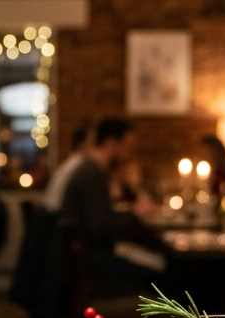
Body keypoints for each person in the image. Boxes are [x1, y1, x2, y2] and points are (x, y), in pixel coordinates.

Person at [57, 117, 163, 282]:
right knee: (166, 272)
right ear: (111, 143)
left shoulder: (91, 169)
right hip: (94, 263)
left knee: (161, 264)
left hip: (90, 259)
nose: (129, 155)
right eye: (128, 148)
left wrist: (130, 212)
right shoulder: (92, 173)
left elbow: (101, 219)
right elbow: (99, 228)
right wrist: (134, 213)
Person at [41, 126, 91, 214]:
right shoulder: (79, 165)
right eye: (92, 142)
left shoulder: (73, 161)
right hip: (52, 216)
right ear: (82, 145)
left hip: (49, 212)